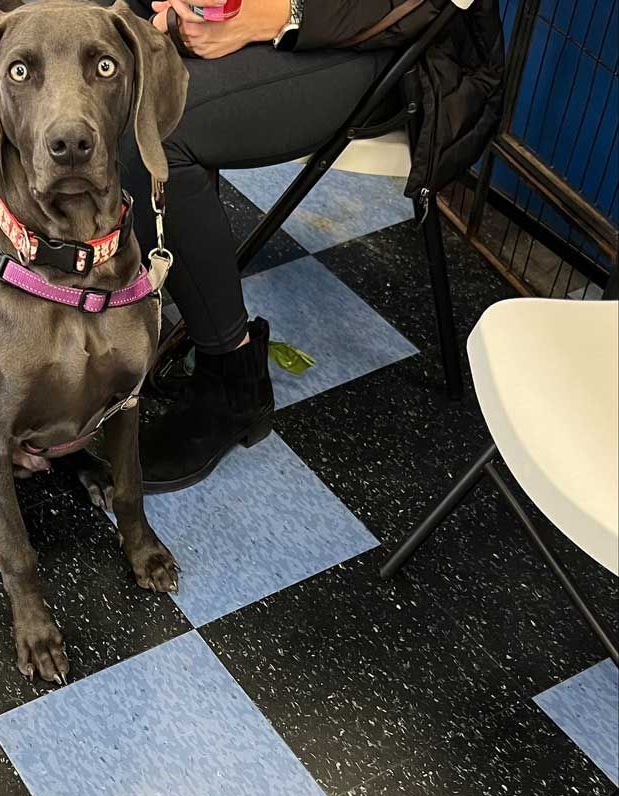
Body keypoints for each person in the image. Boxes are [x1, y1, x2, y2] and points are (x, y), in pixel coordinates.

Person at [119, 0, 505, 492]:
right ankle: (128, 306)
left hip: (394, 44)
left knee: (154, 127)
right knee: (115, 76)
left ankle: (232, 382)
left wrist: (277, 15)